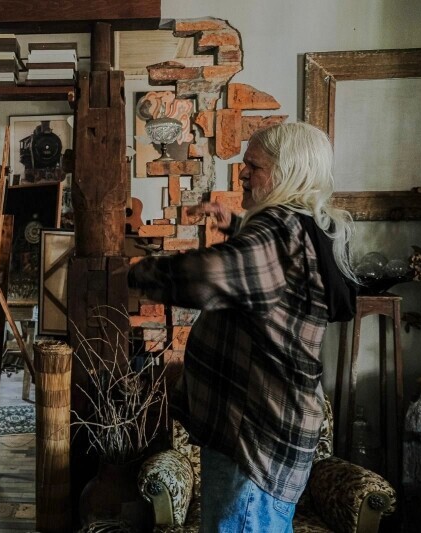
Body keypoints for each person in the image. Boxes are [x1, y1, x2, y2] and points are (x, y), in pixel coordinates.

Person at [128, 123, 355, 532]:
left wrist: (132, 271)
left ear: (289, 171)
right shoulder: (307, 225)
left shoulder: (276, 231)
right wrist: (235, 224)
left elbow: (207, 277)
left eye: (254, 165)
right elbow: (272, 276)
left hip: (254, 444)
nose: (243, 173)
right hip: (270, 436)